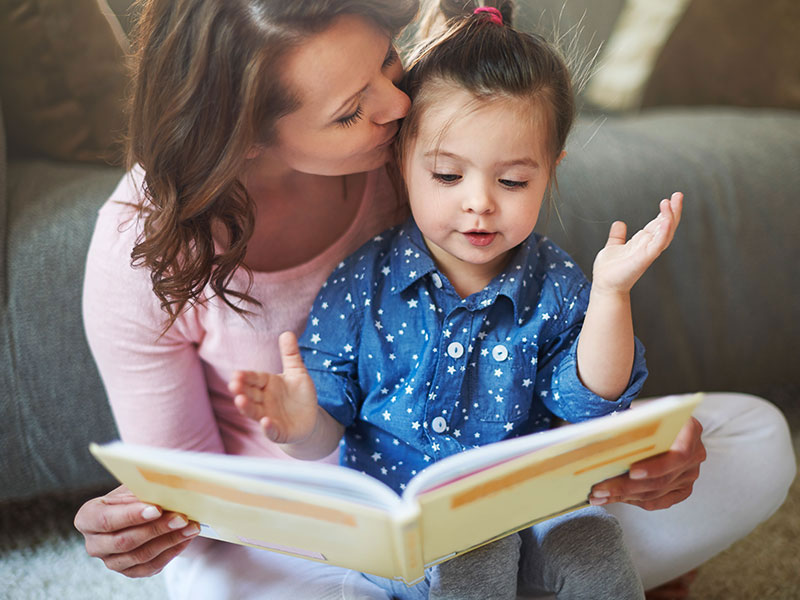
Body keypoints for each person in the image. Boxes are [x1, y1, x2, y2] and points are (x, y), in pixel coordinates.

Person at [74, 1, 795, 599]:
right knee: (213, 582)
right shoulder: (143, 251)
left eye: (388, 63)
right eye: (353, 109)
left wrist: (645, 455)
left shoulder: (424, 142)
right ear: (245, 135)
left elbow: (570, 386)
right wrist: (135, 524)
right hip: (314, 526)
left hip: (514, 480)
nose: (397, 105)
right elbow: (187, 496)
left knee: (754, 438)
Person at [228, 5, 680, 599]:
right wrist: (300, 424)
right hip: (408, 534)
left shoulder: (558, 282)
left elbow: (589, 404)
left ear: (550, 171)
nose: (480, 204)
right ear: (401, 163)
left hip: (534, 511)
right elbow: (326, 431)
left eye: (513, 182)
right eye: (447, 176)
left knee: (592, 540)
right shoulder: (363, 283)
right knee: (473, 545)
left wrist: (611, 294)